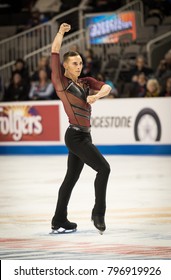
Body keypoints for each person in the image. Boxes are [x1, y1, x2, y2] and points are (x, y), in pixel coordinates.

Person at [51, 23, 111, 234]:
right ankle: (98, 213)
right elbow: (55, 52)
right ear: (66, 67)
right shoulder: (61, 82)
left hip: (84, 136)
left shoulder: (86, 82)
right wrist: (60, 33)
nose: (79, 66)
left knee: (70, 179)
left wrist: (97, 95)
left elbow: (107, 87)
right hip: (75, 137)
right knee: (104, 169)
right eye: (75, 63)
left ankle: (59, 220)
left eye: (80, 63)